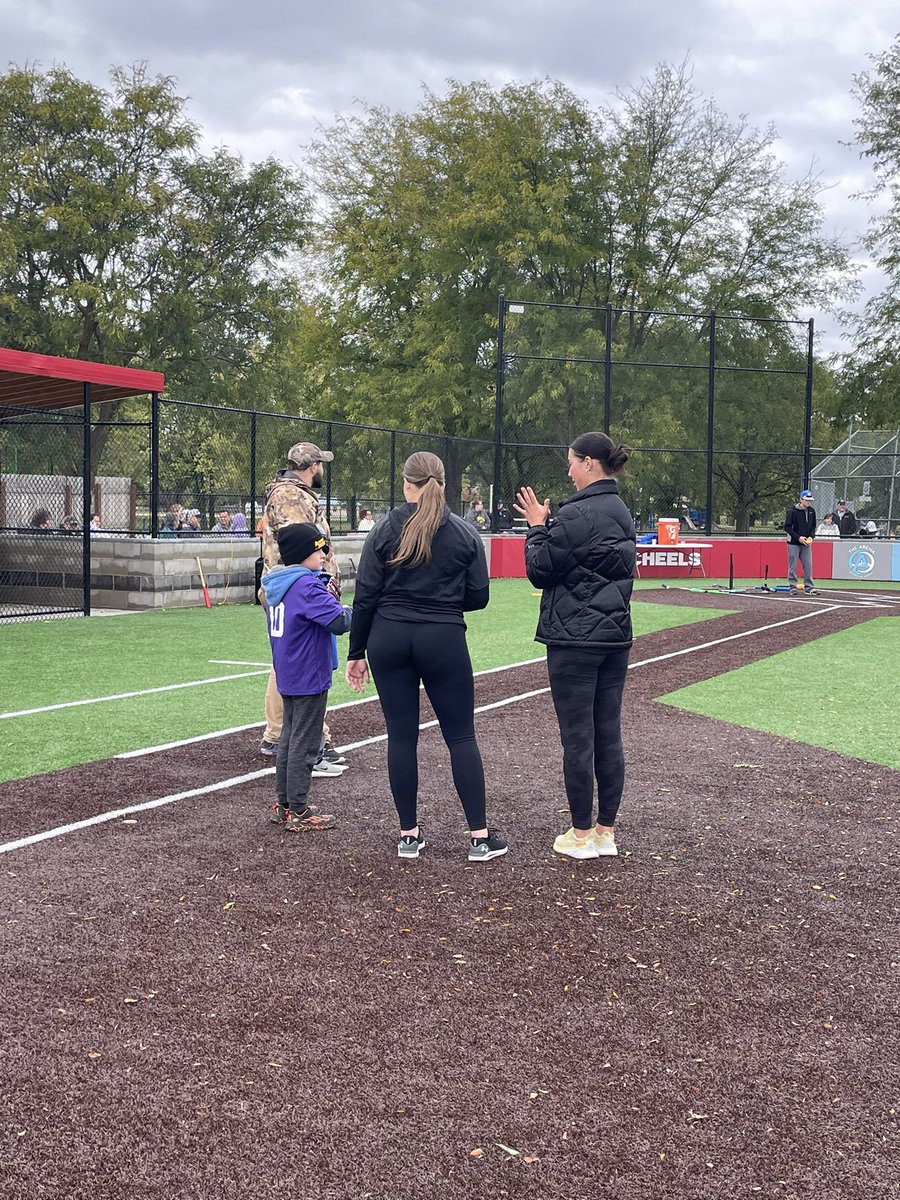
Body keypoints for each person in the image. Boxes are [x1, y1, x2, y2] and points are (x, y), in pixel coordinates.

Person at [345, 450, 507, 862]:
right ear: (444, 484)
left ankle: (409, 836)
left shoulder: (383, 530)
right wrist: (443, 603)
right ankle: (479, 838)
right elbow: (479, 597)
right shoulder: (464, 533)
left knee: (402, 737)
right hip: (443, 637)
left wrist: (356, 651)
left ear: (406, 484)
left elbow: (365, 597)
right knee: (461, 736)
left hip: (388, 637)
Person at [514, 431, 636, 861]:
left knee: (578, 738)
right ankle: (605, 832)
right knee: (608, 735)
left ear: (588, 463)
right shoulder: (621, 510)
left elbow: (540, 569)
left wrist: (536, 528)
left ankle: (581, 834)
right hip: (614, 637)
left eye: (571, 462)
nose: (567, 470)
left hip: (574, 640)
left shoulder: (576, 513)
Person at [258, 441, 346, 774]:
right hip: (296, 591)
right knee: (300, 660)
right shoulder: (291, 496)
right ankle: (302, 739)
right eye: (321, 464)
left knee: (288, 659)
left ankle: (285, 734)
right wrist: (319, 584)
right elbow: (301, 544)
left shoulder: (293, 494)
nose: (322, 469)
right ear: (313, 466)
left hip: (292, 589)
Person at [261, 522, 352, 832]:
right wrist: (361, 609)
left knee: (289, 737)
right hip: (308, 672)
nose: (325, 554)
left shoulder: (277, 584)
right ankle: (299, 809)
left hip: (288, 671)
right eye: (319, 549)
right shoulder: (306, 585)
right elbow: (338, 620)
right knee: (306, 740)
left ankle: (285, 804)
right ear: (303, 554)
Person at [784, 488, 816, 594]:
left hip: (806, 543)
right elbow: (787, 527)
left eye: (810, 500)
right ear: (801, 500)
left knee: (808, 564)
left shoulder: (812, 511)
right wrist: (798, 538)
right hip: (793, 543)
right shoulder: (792, 512)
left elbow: (813, 526)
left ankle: (809, 587)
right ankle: (792, 586)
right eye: (806, 500)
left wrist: (811, 537)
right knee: (793, 565)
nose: (808, 502)